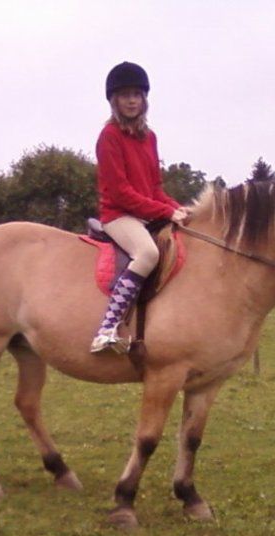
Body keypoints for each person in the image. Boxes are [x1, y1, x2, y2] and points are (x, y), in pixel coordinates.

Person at [91, 61, 189, 354]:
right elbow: (121, 193)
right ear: (114, 100)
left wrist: (179, 208)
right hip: (119, 215)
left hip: (144, 214)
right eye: (125, 95)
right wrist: (165, 212)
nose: (132, 100)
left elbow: (155, 188)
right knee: (147, 253)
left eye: (137, 94)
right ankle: (106, 329)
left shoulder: (150, 137)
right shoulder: (109, 136)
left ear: (144, 98)